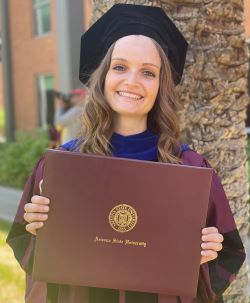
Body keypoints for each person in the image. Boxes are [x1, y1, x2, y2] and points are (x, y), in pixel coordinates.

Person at [6, 4, 245, 303]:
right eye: (120, 67)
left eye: (148, 72)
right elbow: (26, 246)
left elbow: (226, 257)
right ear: (103, 76)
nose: (132, 81)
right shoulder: (61, 167)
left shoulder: (192, 170)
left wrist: (209, 252)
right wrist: (36, 229)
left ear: (161, 85)